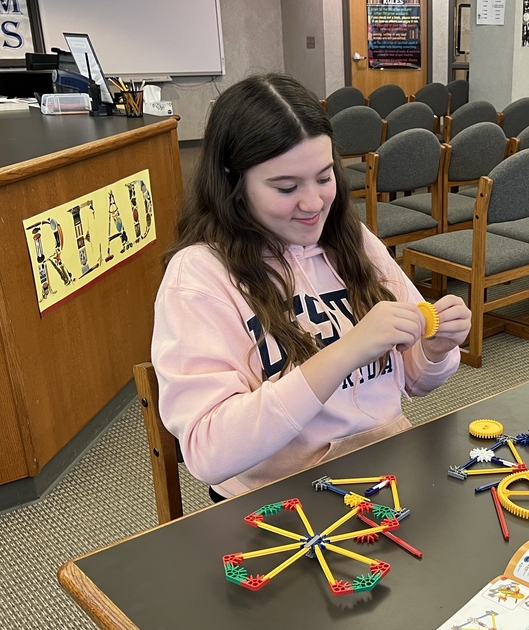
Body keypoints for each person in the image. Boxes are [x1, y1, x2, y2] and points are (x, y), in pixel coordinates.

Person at [152, 73, 470, 500]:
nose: (314, 203)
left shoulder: (352, 241)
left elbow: (412, 381)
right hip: (281, 498)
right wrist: (344, 352)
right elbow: (209, 452)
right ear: (234, 184)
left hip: (384, 471)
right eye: (286, 187)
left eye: (324, 177)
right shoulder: (200, 277)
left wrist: (435, 349)